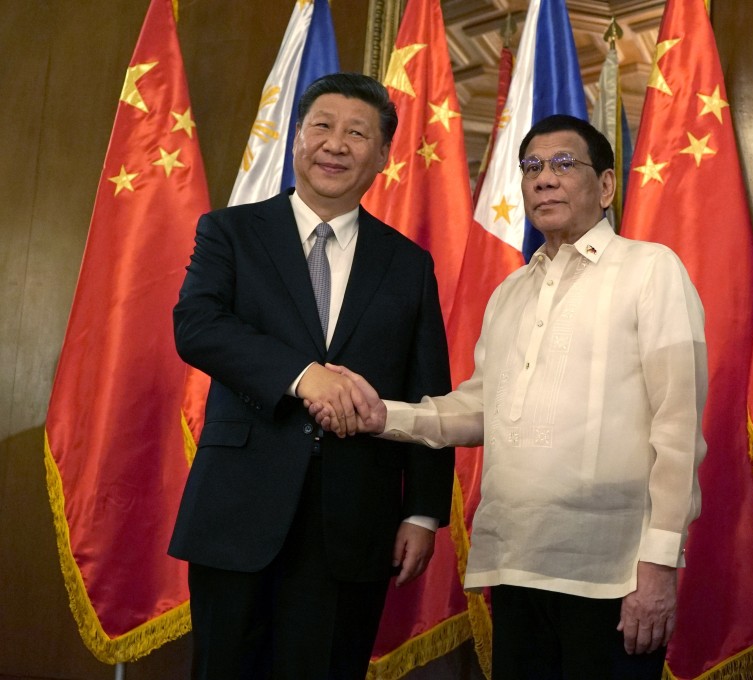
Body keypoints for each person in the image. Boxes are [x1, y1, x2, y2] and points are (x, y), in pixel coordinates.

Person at [313, 114, 708, 679]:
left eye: (563, 164)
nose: (544, 178)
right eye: (531, 167)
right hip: (516, 563)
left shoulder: (650, 270)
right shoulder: (510, 292)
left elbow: (677, 428)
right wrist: (383, 416)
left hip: (613, 573)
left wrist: (660, 564)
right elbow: (480, 407)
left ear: (606, 186)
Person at [169, 73, 454, 680]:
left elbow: (427, 387)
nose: (335, 144)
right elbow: (197, 326)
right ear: (297, 137)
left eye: (357, 133)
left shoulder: (408, 263)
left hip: (355, 518)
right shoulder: (231, 232)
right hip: (238, 507)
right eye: (321, 125)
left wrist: (424, 511)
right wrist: (302, 376)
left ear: (383, 156)